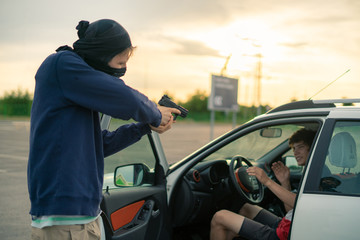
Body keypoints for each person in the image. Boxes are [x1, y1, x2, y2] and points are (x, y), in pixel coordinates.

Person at [27, 19, 181, 240]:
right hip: (66, 221)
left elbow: (99, 144)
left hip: (82, 218)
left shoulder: (76, 86)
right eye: (120, 64)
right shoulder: (61, 65)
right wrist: (156, 114)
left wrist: (144, 127)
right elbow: (125, 97)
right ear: (101, 55)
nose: (123, 71)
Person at [210, 128, 316, 240]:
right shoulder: (312, 171)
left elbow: (300, 204)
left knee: (219, 217)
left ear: (313, 147)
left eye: (301, 147)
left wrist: (267, 181)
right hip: (287, 224)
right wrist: (285, 182)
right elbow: (291, 210)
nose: (295, 152)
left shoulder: (316, 175)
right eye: (294, 148)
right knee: (246, 208)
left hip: (284, 235)